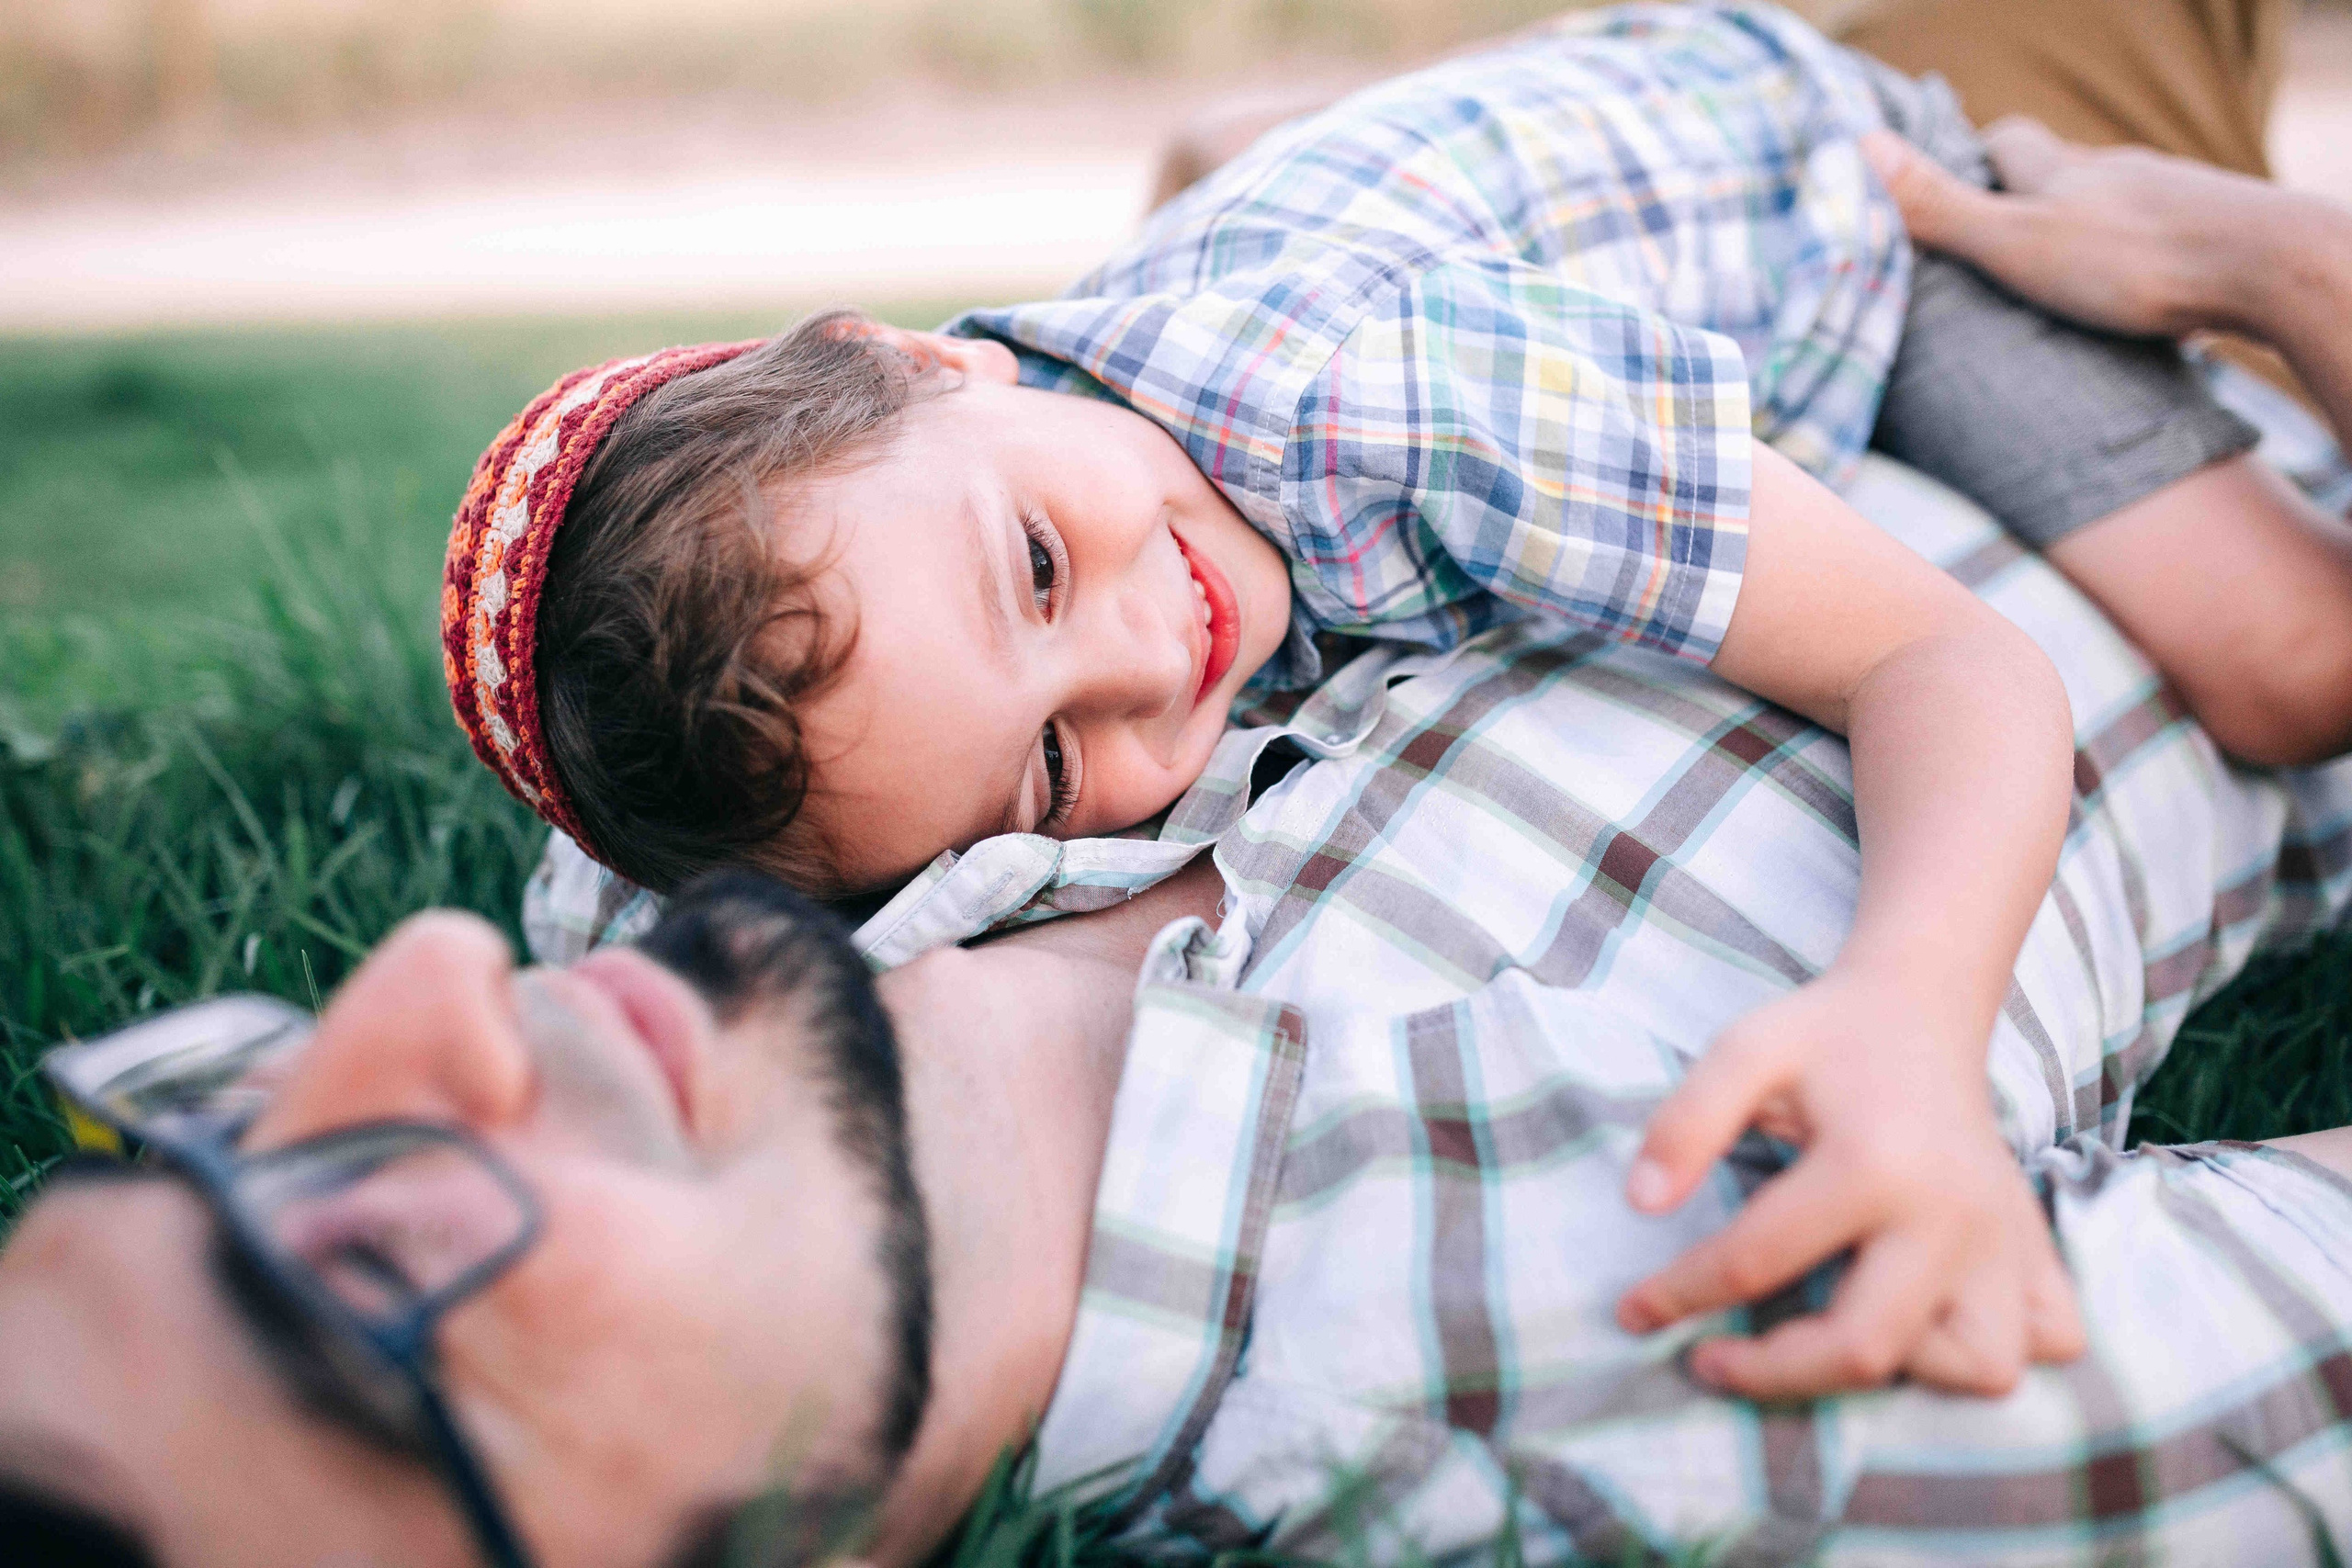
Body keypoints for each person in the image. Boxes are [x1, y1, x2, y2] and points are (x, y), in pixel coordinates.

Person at [11, 359, 2352, 1562]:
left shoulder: (658, 895)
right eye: (371, 1245)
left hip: (1798, 226)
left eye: (201, 1111)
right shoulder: (1676, 1392)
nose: (416, 985)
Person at [447, 0, 2352, 1405]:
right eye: (1045, 765)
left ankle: (2275, 251)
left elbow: (1945, 660)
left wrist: (1909, 1028)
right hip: (1533, 165)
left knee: (2290, 668)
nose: (1141, 658)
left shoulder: (1375, 402)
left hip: (1830, 199)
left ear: (932, 360)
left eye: (1033, 565)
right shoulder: (973, 492)